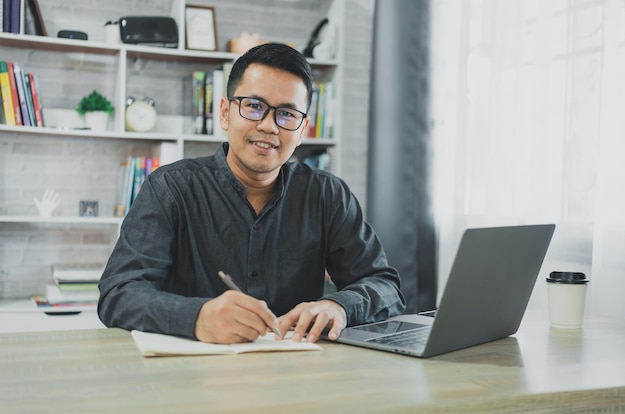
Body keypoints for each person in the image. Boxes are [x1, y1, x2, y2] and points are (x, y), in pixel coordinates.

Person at [98, 43, 406, 344]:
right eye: (254, 106)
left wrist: (338, 306)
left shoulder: (327, 195)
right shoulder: (170, 189)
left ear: (301, 130)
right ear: (225, 112)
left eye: (286, 114)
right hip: (191, 379)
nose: (270, 126)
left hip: (299, 376)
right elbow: (118, 294)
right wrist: (196, 317)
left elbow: (384, 285)